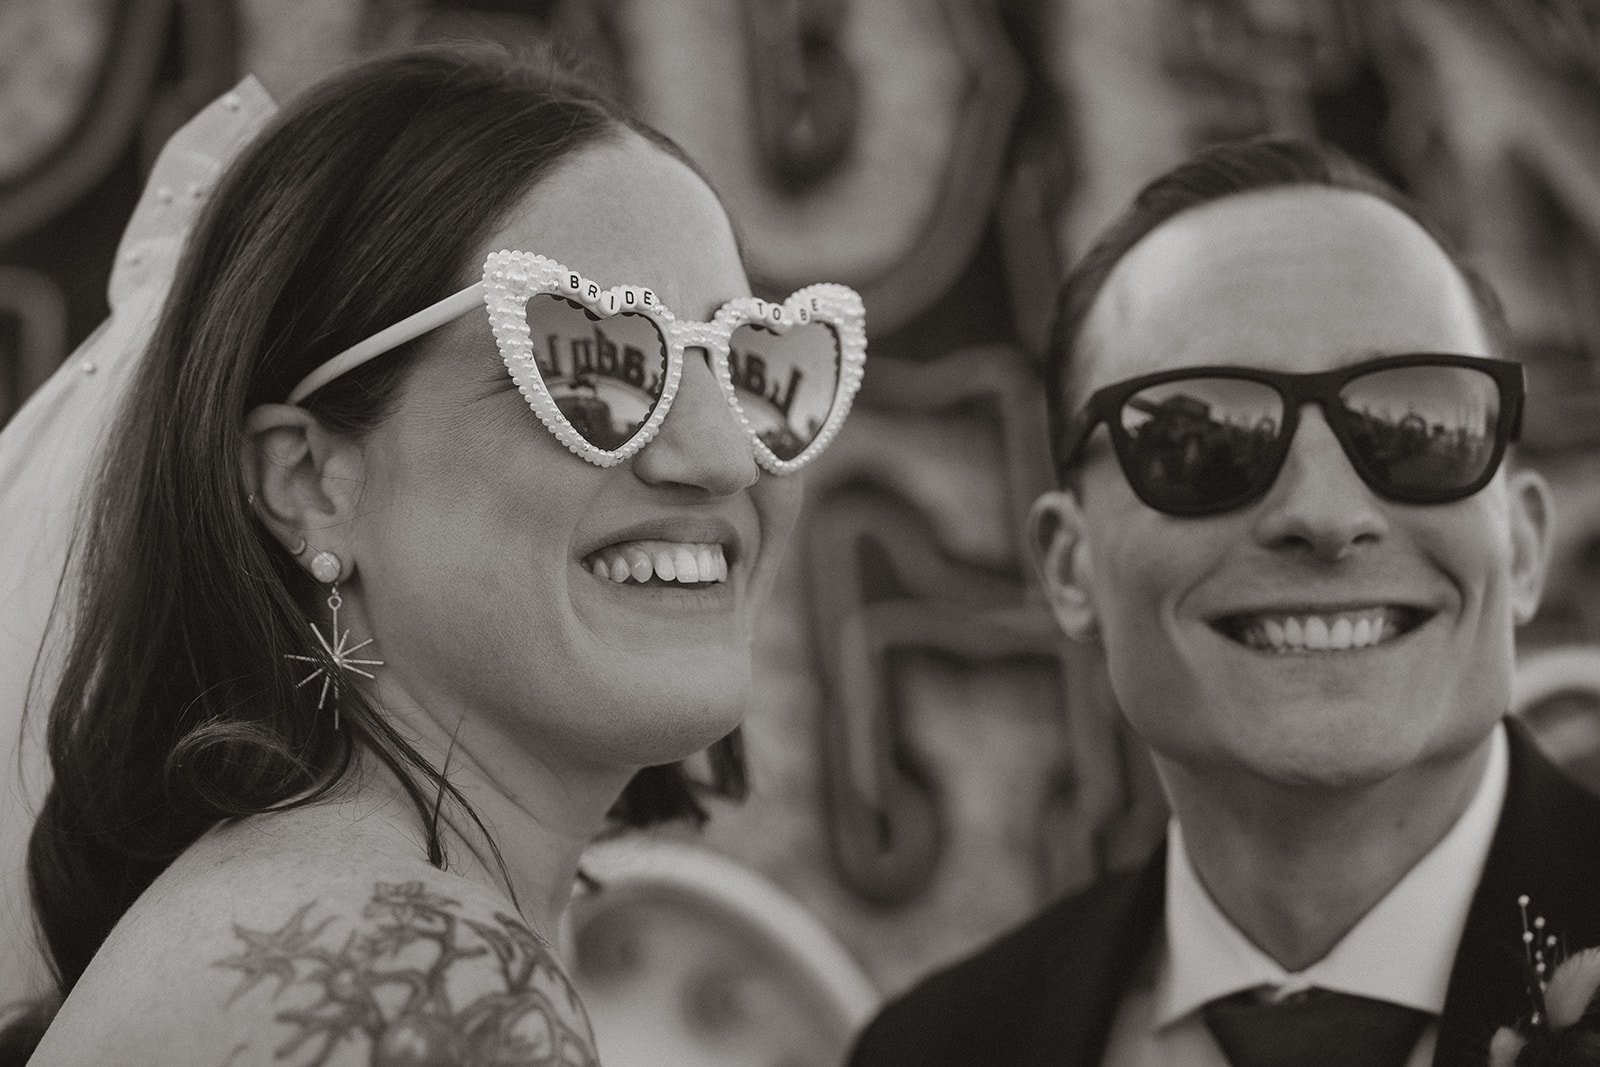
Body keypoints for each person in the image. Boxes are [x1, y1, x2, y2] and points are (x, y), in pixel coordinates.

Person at [0, 45, 863, 1065]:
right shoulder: (432, 984)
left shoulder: (309, 913)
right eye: (594, 363)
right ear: (310, 482)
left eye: (757, 367)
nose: (722, 457)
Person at [848, 138, 1600, 1067]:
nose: (1326, 517)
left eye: (1419, 427)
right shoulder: (933, 1053)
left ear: (1522, 544)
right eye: (1202, 438)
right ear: (1067, 564)